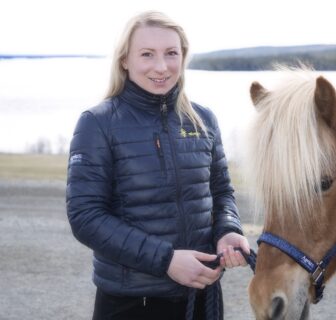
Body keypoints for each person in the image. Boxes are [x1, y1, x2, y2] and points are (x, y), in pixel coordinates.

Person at [66, 10, 250, 320]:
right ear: (125, 59)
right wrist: (166, 260)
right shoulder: (97, 123)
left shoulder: (203, 120)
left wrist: (229, 229)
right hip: (131, 302)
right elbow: (85, 216)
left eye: (171, 53)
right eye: (147, 54)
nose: (161, 67)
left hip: (201, 297)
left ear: (184, 56)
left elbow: (221, 192)